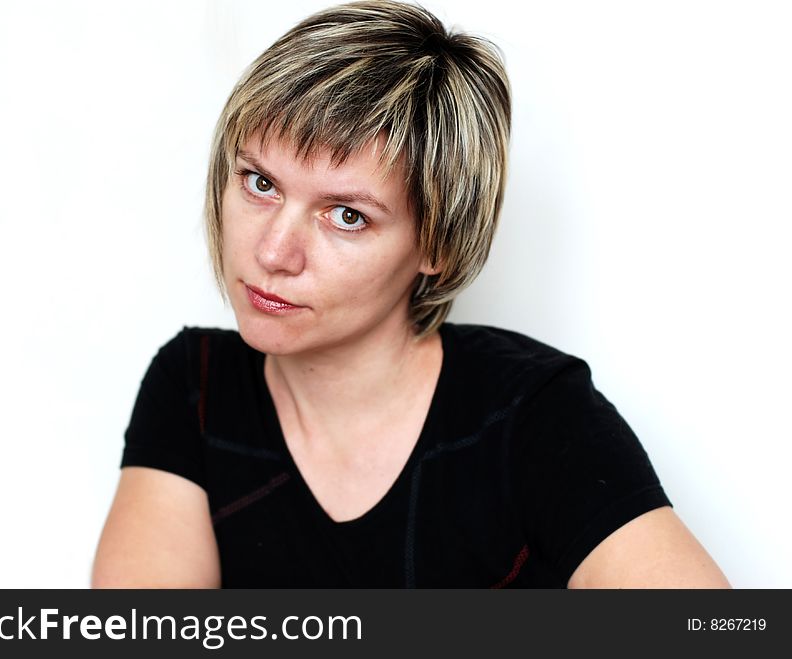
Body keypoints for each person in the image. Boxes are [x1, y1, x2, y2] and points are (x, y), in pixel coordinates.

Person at [92, 0, 730, 588]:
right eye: (260, 183)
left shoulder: (530, 413)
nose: (272, 253)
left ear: (438, 245)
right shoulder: (195, 386)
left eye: (347, 216)